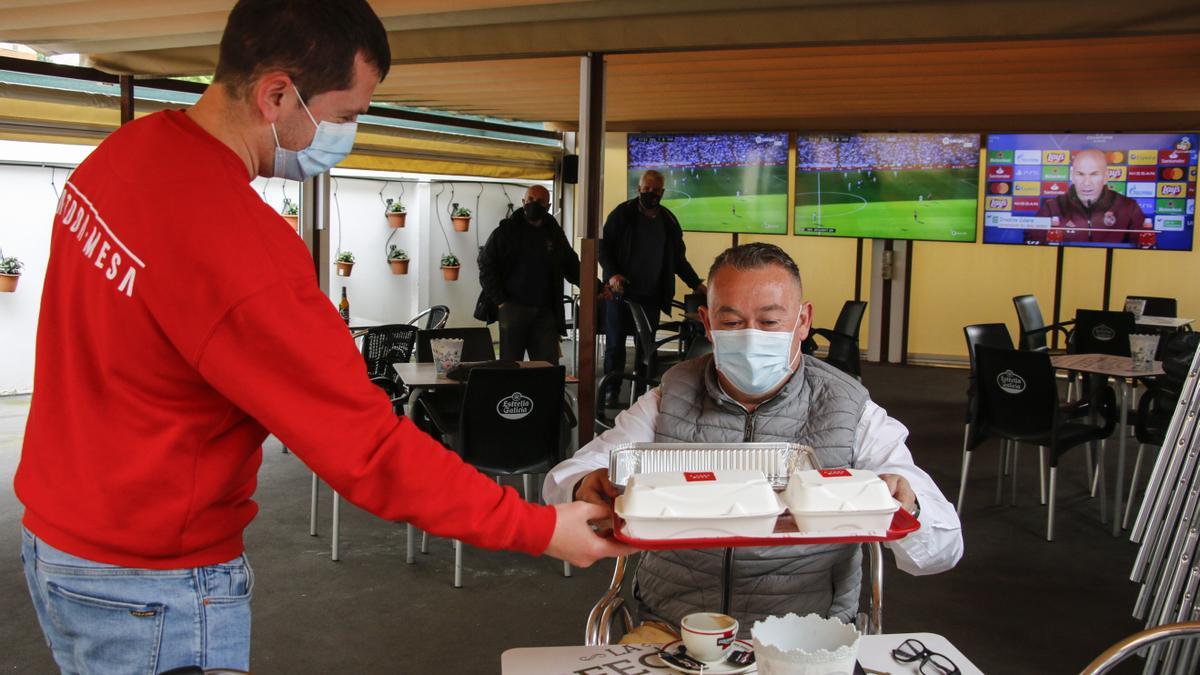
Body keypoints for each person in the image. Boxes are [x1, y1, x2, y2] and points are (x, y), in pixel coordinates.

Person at [15, 1, 630, 671]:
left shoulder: (122, 154)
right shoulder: (237, 243)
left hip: (58, 544)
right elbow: (367, 445)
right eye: (344, 116)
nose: (348, 134)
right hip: (152, 585)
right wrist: (539, 528)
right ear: (276, 93)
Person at [545, 243, 963, 640]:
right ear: (707, 323)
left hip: (804, 633)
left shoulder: (849, 410)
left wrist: (907, 502)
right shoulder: (671, 396)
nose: (750, 336)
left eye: (769, 322)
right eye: (731, 322)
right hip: (674, 627)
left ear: (802, 321)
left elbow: (944, 547)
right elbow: (567, 478)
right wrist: (587, 484)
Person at [599, 169, 706, 408]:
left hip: (651, 296)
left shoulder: (668, 221)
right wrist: (612, 274)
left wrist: (697, 284)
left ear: (662, 192)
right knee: (615, 344)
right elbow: (603, 249)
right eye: (646, 189)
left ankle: (642, 394)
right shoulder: (622, 215)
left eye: (655, 190)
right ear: (638, 189)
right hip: (621, 294)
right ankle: (610, 391)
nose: (651, 193)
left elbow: (679, 260)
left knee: (646, 348)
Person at [478, 185, 579, 362]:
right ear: (523, 202)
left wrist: (597, 287)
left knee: (547, 368)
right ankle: (510, 392)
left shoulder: (554, 234)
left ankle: (544, 391)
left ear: (548, 207)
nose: (534, 204)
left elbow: (570, 264)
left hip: (545, 312)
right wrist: (500, 300)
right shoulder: (505, 231)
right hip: (512, 308)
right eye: (530, 200)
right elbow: (486, 263)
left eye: (540, 201)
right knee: (510, 367)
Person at [1030, 148, 1149, 245]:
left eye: (1094, 174)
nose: (1086, 182)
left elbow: (1145, 250)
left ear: (1106, 177)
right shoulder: (1052, 207)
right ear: (1072, 176)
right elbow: (1032, 247)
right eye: (1080, 174)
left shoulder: (1128, 207)